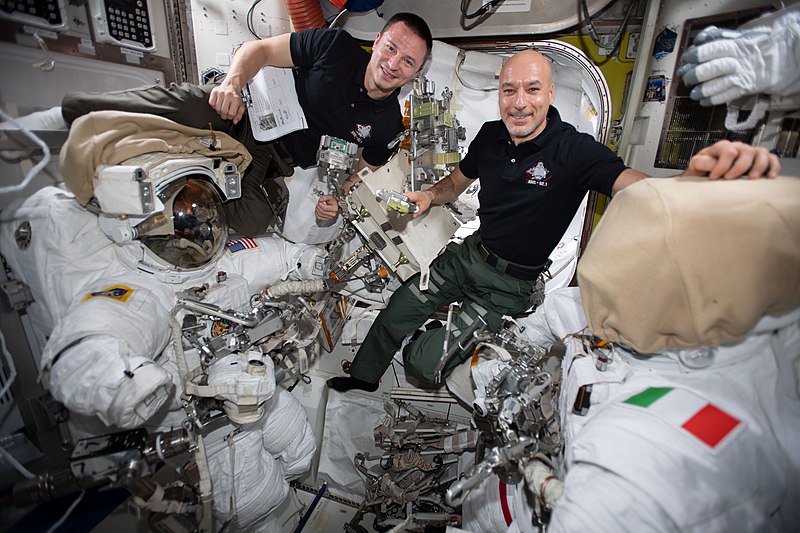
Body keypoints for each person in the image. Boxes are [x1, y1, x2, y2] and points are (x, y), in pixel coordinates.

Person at [327, 49, 781, 393]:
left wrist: (693, 186)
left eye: (531, 90)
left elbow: (637, 187)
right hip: (468, 255)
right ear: (500, 94)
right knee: (396, 312)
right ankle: (365, 378)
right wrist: (427, 196)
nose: (519, 103)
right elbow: (453, 186)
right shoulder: (489, 137)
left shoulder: (574, 151)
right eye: (509, 90)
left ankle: (442, 334)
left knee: (423, 366)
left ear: (548, 94)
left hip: (507, 284)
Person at [462, 174, 800, 532]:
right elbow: (552, 318)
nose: (605, 290)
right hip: (521, 468)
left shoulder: (651, 455)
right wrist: (496, 369)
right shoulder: (605, 308)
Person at [59, 12, 432, 237]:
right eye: (391, 48)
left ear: (415, 74)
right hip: (246, 114)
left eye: (408, 61)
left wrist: (337, 196)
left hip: (275, 163)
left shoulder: (386, 127)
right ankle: (74, 111)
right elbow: (261, 50)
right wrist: (231, 84)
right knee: (188, 105)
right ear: (378, 40)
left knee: (251, 222)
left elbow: (362, 171)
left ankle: (149, 205)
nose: (394, 63)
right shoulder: (335, 46)